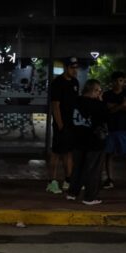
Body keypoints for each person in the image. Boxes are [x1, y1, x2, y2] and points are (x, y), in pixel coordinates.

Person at [65, 79, 107, 205]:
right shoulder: (97, 104)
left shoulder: (75, 101)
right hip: (94, 142)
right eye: (98, 90)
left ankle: (72, 193)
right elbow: (104, 118)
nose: (99, 93)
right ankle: (90, 197)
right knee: (93, 169)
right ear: (93, 91)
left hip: (78, 139)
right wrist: (101, 102)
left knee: (78, 167)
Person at [46, 57, 80, 194]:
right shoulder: (57, 83)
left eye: (76, 67)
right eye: (72, 67)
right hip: (61, 124)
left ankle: (68, 180)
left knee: (69, 152)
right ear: (66, 68)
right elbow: (55, 106)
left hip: (72, 123)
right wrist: (60, 126)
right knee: (56, 153)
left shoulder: (75, 82)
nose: (75, 70)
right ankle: (52, 182)